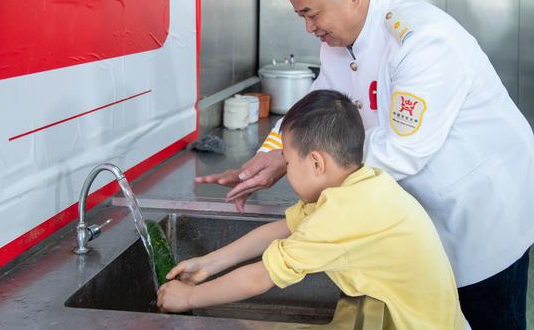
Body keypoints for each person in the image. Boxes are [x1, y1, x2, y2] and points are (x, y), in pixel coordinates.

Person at [195, 0, 534, 329]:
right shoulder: (339, 43)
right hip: (419, 217)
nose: (309, 27)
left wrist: (295, 161)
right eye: (301, 17)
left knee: (488, 315)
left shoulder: (422, 39)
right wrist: (273, 151)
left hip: (479, 209)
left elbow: (403, 150)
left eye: (311, 13)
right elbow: (316, 103)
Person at [160, 90, 468, 329]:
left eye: (288, 162)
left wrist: (189, 297)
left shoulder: (344, 213)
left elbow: (260, 278)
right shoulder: (360, 185)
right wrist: (210, 263)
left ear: (317, 163)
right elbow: (280, 229)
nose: (287, 171)